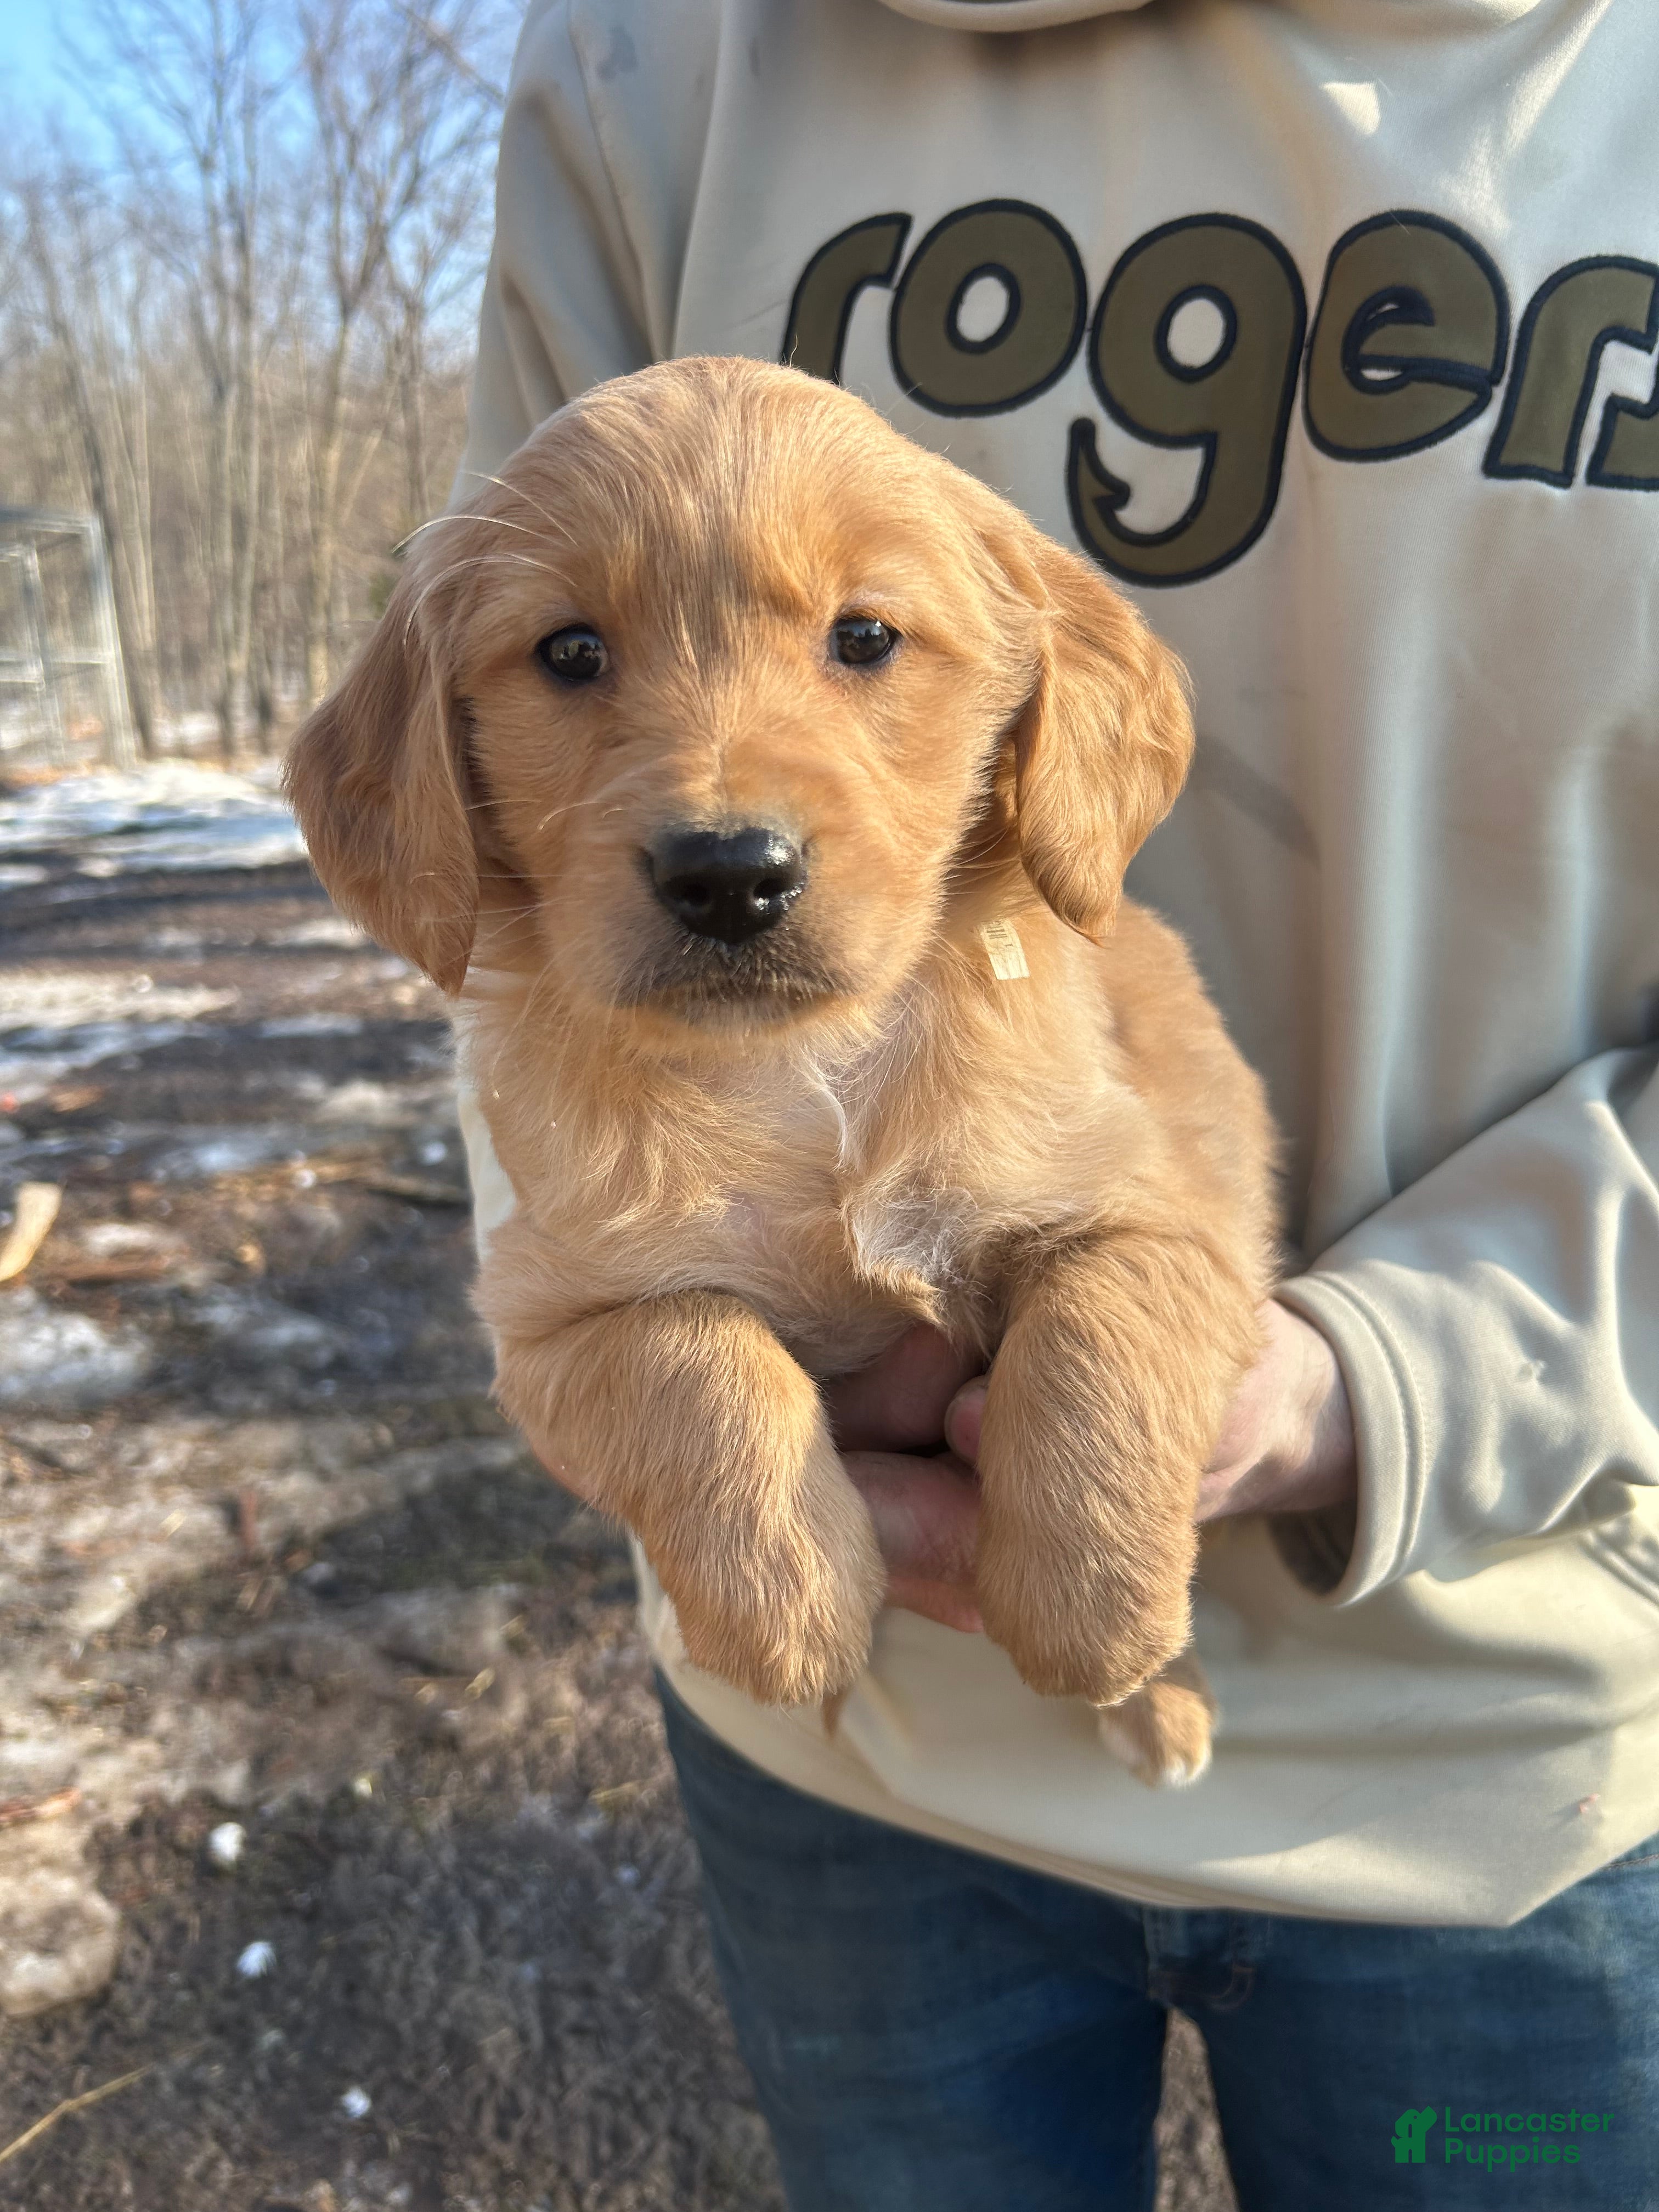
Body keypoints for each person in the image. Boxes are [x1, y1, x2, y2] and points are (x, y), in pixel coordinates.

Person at [452, 2, 1659, 2203]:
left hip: (1517, 1732)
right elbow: (490, 870)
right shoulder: (661, 52)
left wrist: (1376, 1375)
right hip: (843, 1757)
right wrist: (679, 1330)